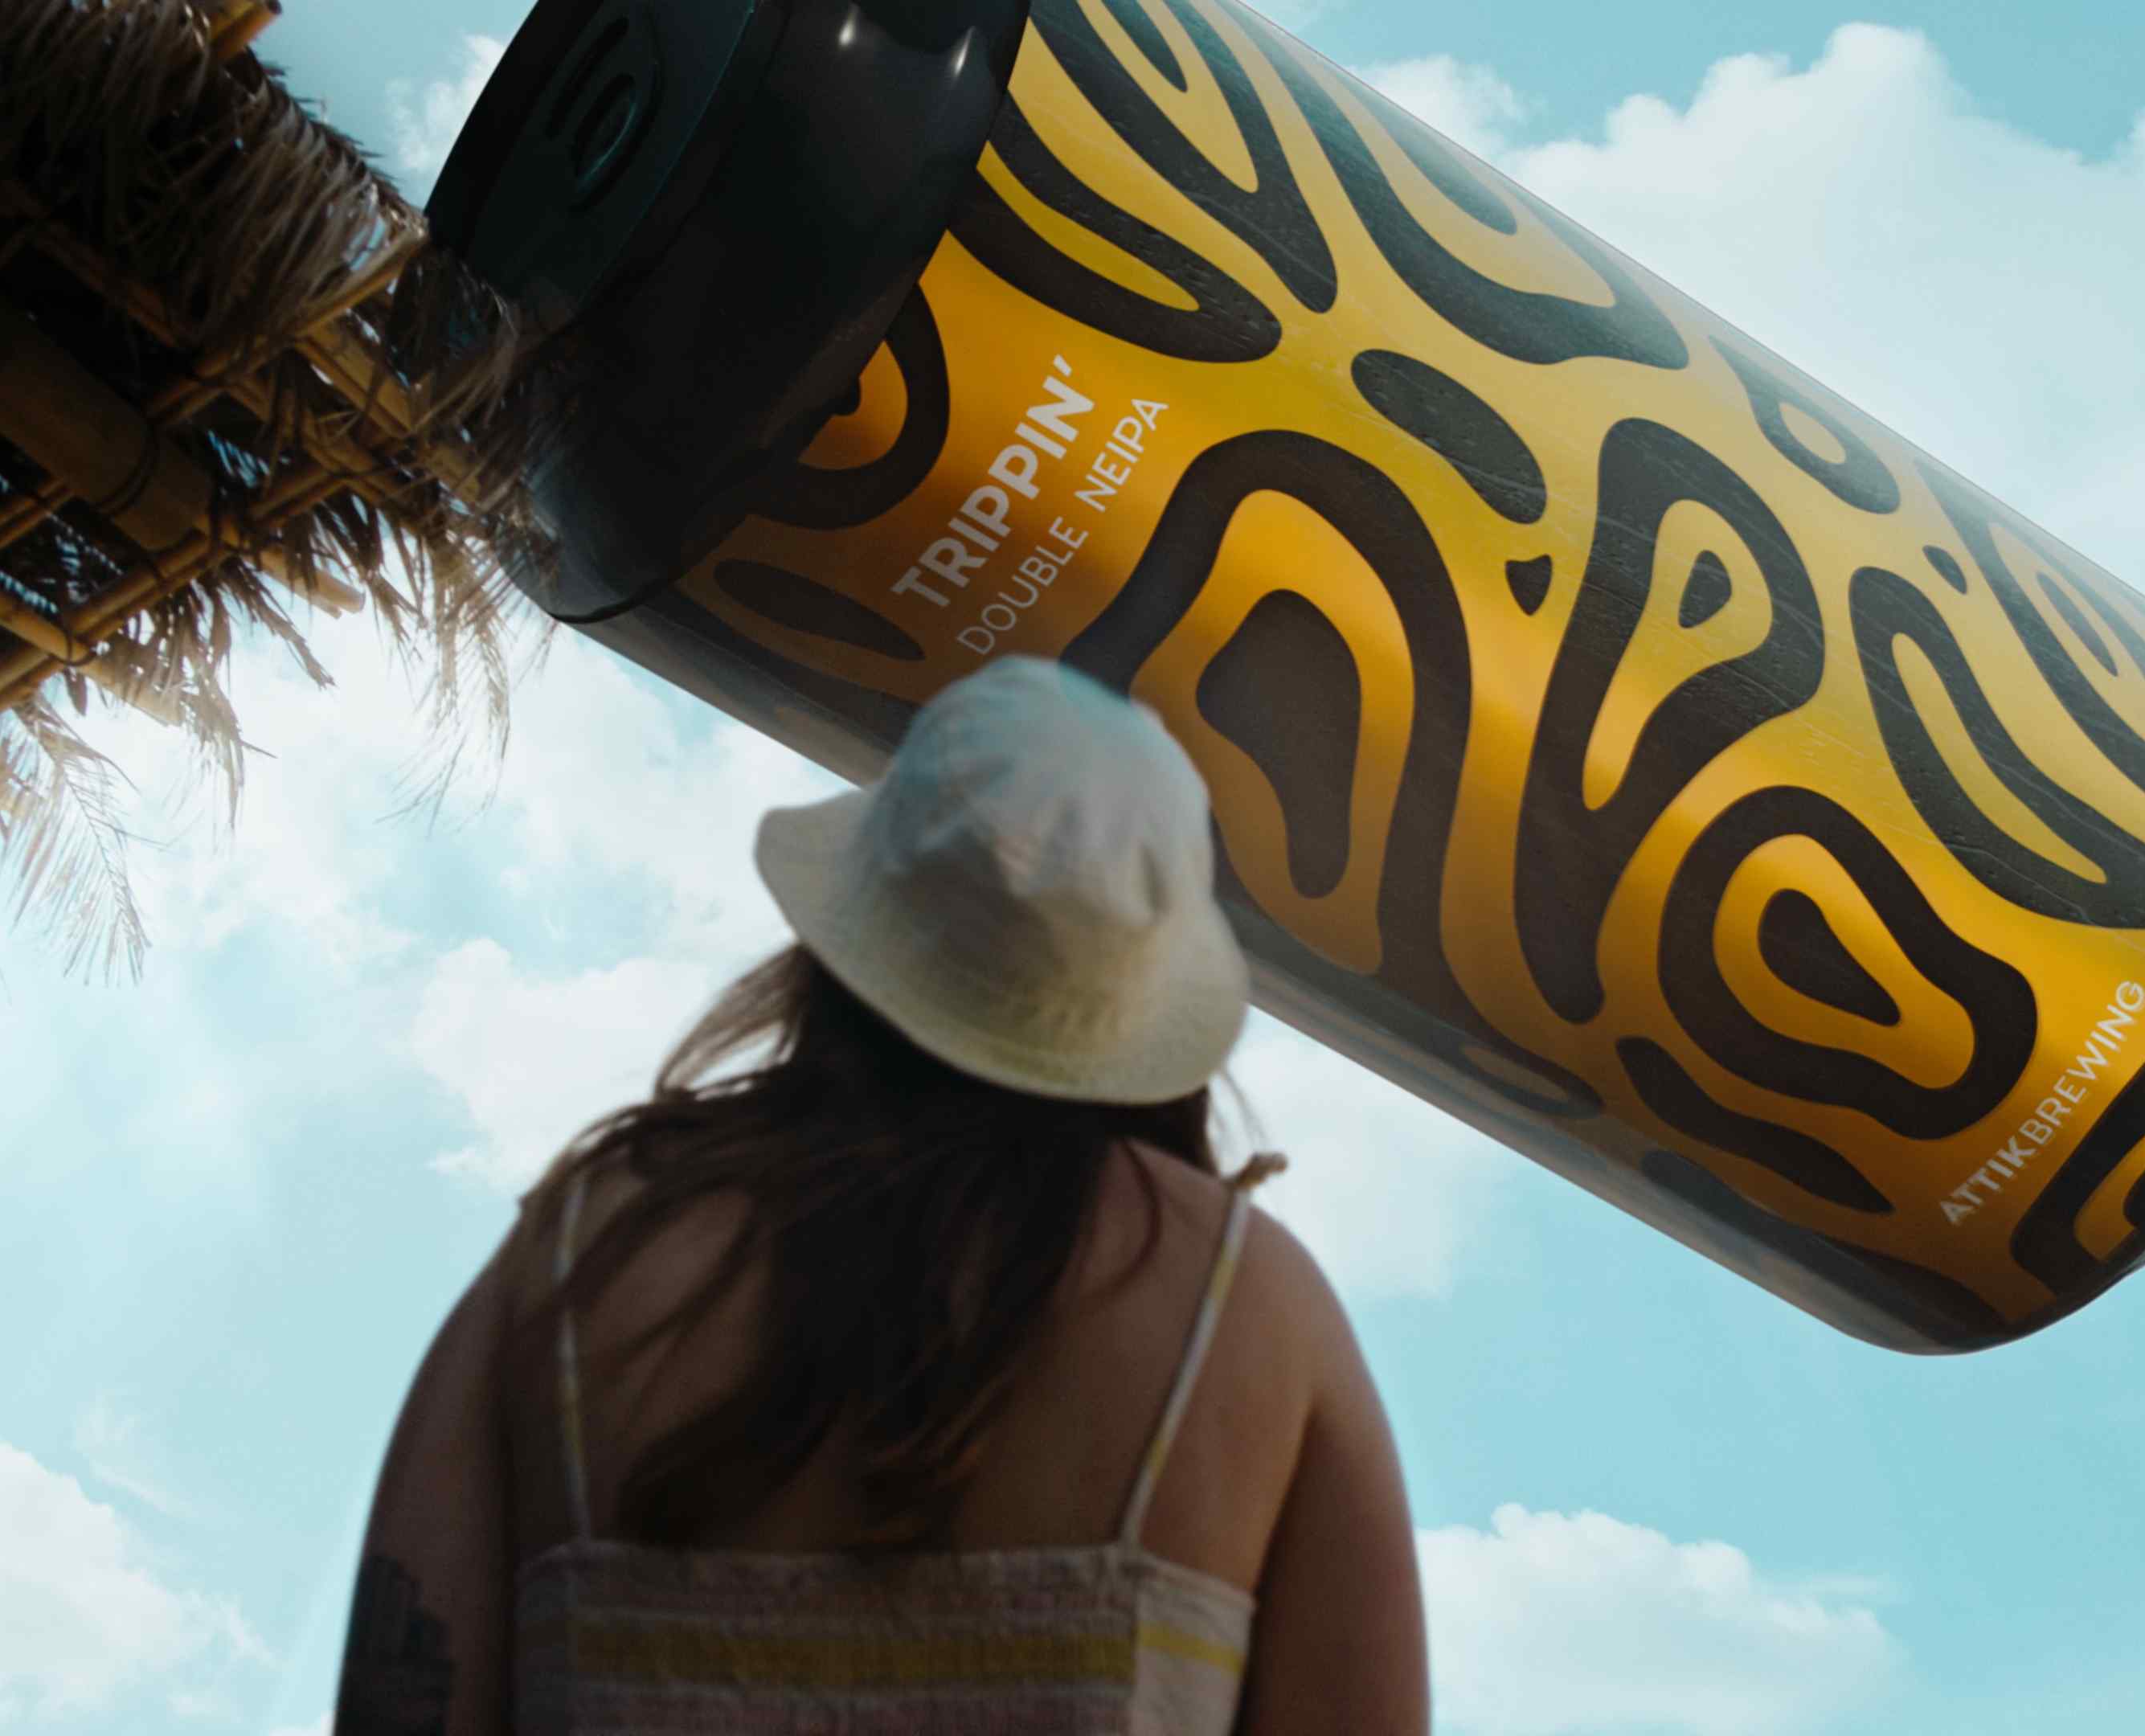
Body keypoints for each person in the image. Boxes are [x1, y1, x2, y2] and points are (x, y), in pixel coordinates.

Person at [336, 657, 1430, 1734]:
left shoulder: (585, 1249)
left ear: (855, 918)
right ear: (1144, 999)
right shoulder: (1249, 1308)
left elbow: (400, 1695)